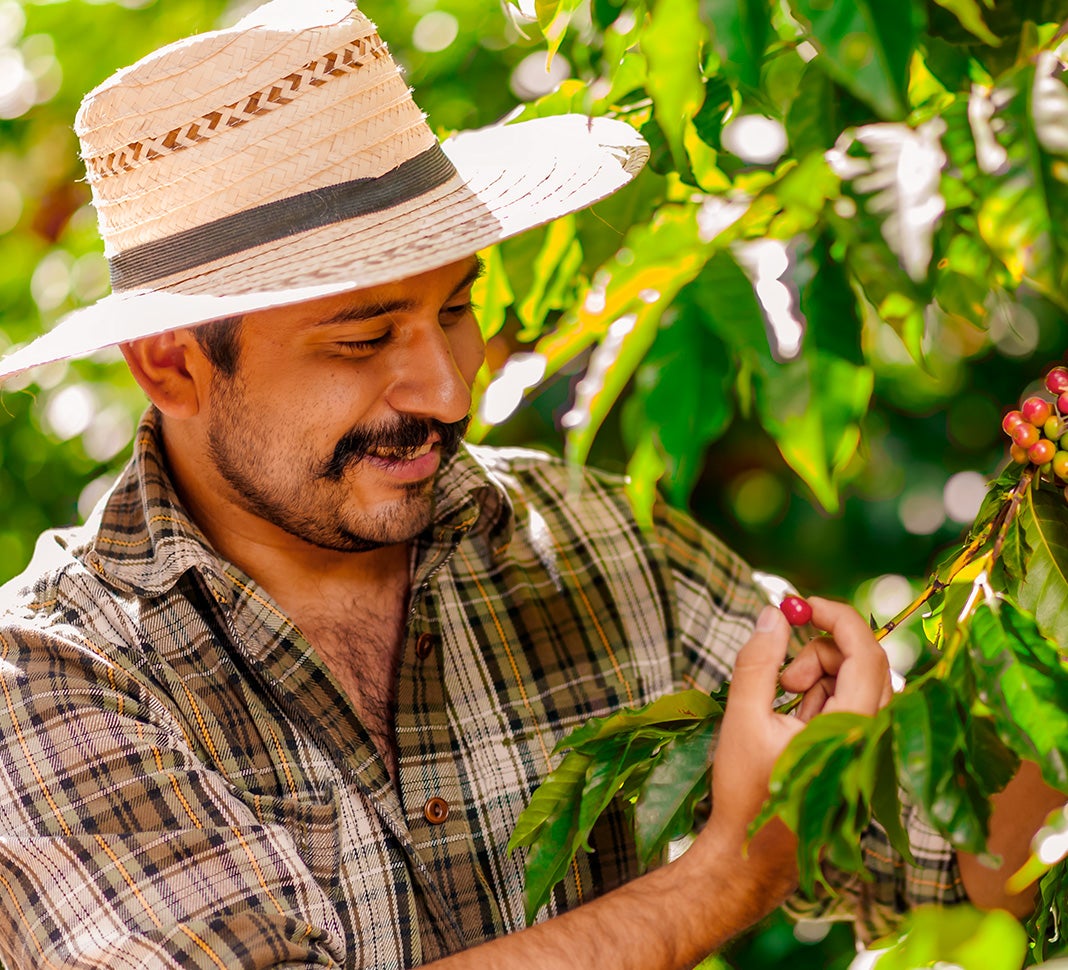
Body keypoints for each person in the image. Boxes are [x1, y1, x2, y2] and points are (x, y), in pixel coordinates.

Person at [0, 2, 1060, 968]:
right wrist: (732, 867)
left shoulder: (596, 544)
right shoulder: (50, 677)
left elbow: (956, 869)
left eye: (455, 310)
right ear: (171, 364)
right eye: (364, 339)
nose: (450, 387)